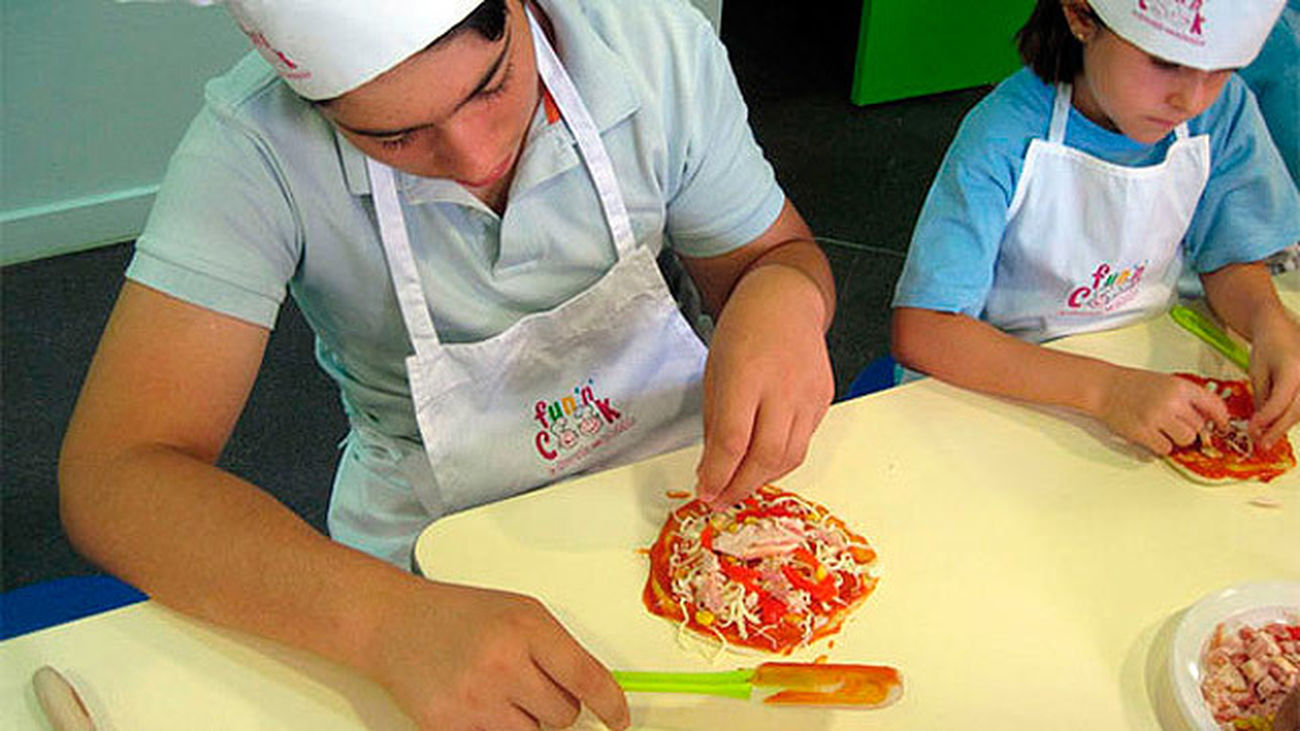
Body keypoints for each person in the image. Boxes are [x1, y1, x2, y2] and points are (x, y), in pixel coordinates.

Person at [58, 0, 836, 727]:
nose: (475, 155)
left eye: (493, 85)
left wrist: (783, 295)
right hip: (427, 566)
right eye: (393, 136)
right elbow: (113, 475)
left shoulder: (650, 49)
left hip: (681, 492)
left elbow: (778, 256)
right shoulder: (254, 150)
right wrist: (381, 620)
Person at [891, 0, 1300, 456]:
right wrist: (1107, 391)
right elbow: (926, 330)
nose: (1191, 100)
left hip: (1143, 378)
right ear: (1081, 16)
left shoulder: (1222, 112)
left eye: (1222, 69)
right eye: (1165, 63)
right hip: (1005, 385)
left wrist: (1267, 321)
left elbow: (1227, 258)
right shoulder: (1003, 134)